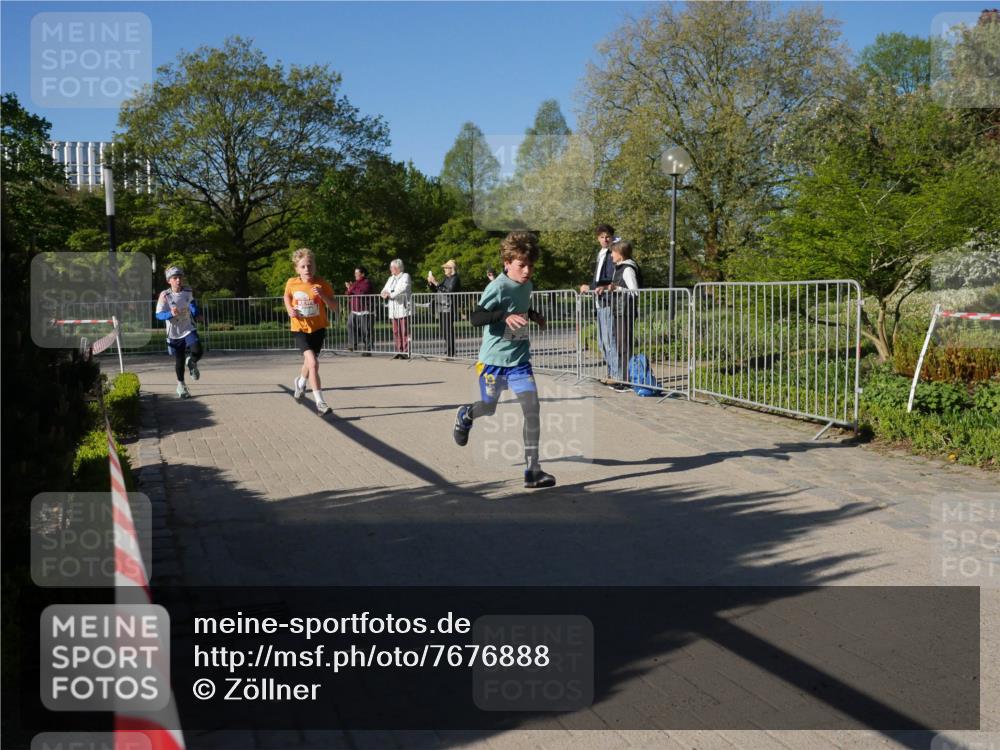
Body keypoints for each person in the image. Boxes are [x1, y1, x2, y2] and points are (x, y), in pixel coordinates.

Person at [453, 232, 555, 489]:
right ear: (507, 262)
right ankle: (466, 415)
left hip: (519, 360)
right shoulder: (496, 286)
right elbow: (476, 318)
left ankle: (533, 470)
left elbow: (521, 307)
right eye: (522, 265)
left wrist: (534, 315)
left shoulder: (527, 284)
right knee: (489, 407)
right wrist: (504, 316)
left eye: (531, 265)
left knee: (532, 411)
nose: (527, 270)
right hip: (492, 362)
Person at [284, 248, 337, 414]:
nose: (307, 269)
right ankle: (320, 403)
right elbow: (286, 296)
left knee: (309, 363)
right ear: (297, 269)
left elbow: (335, 307)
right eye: (303, 266)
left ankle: (300, 383)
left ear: (314, 266)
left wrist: (322, 295)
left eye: (310, 265)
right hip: (299, 328)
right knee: (313, 363)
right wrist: (289, 309)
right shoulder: (291, 283)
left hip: (318, 329)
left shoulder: (322, 284)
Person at [579, 224, 619, 383]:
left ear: (612, 237)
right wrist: (588, 287)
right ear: (598, 238)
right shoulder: (601, 253)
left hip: (609, 301)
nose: (605, 239)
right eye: (602, 237)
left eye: (607, 236)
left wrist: (592, 287)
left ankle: (616, 375)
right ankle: (611, 373)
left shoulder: (613, 253)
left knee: (610, 341)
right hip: (599, 301)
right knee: (602, 342)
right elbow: (597, 278)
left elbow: (608, 278)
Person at [155, 266, 203, 399]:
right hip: (174, 333)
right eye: (175, 278)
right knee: (179, 361)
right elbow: (158, 315)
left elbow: (191, 303)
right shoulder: (165, 295)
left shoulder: (188, 291)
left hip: (188, 328)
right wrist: (170, 313)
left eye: (180, 277)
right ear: (169, 281)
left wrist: (197, 314)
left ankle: (192, 361)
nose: (178, 280)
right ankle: (181, 385)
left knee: (198, 350)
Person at [600, 240, 641, 392]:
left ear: (621, 253)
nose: (611, 255)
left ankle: (626, 380)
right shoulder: (620, 268)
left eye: (613, 252)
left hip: (625, 311)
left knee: (624, 345)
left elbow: (635, 291)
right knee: (621, 344)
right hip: (619, 310)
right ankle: (624, 378)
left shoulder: (628, 269)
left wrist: (616, 288)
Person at [427, 259, 461, 357]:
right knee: (443, 329)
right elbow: (437, 289)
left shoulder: (455, 278)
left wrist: (436, 282)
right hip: (442, 306)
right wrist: (431, 283)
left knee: (448, 329)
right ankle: (449, 349)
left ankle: (451, 352)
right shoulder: (446, 278)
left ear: (452, 269)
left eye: (446, 268)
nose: (444, 270)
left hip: (449, 306)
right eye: (445, 268)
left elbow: (448, 291)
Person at [380, 259, 411, 359]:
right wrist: (384, 294)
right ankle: (398, 351)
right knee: (396, 331)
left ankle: (405, 352)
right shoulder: (391, 278)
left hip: (402, 307)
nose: (390, 269)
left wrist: (391, 294)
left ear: (397, 268)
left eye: (392, 267)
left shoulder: (405, 276)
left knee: (404, 331)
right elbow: (383, 290)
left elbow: (403, 289)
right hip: (393, 308)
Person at [344, 266, 373, 356]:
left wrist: (351, 288)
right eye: (355, 273)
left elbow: (362, 293)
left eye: (357, 273)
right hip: (354, 310)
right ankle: (352, 345)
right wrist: (349, 288)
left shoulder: (366, 282)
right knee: (350, 325)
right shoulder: (355, 283)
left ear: (362, 274)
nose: (355, 275)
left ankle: (367, 350)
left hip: (365, 310)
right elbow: (347, 293)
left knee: (366, 331)